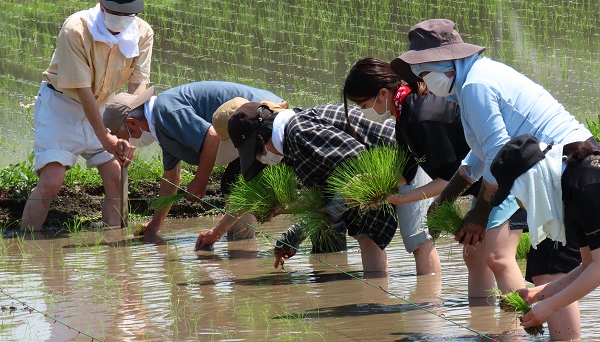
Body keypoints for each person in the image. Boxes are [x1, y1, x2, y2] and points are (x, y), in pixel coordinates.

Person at [390, 19, 593, 340]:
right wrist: (445, 199)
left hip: (567, 168)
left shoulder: (476, 86)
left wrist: (479, 214)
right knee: (553, 268)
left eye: (424, 69)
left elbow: (499, 157)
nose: (422, 78)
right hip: (559, 168)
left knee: (551, 267)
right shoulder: (474, 82)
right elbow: (479, 156)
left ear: (447, 59)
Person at [342, 57, 531, 293]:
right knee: (474, 257)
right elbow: (405, 171)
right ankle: (483, 323)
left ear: (382, 93)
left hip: (502, 179)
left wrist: (404, 199)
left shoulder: (423, 115)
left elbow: (449, 178)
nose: (363, 112)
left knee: (497, 258)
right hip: (483, 183)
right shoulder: (405, 112)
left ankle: (519, 325)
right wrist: (371, 189)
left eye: (362, 105)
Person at [20, 0, 152, 231]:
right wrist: (105, 137)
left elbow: (138, 84)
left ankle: (116, 246)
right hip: (61, 107)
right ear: (101, 5)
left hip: (105, 107)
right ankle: (27, 243)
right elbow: (82, 90)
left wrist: (127, 129)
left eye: (129, 13)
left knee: (116, 175)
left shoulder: (143, 32)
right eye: (116, 11)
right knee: (52, 181)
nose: (123, 19)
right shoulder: (76, 29)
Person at [227, 101, 399, 274]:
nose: (262, 160)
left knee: (416, 242)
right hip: (381, 173)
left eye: (257, 154)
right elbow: (326, 193)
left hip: (403, 162)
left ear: (261, 140)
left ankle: (415, 297)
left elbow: (358, 162)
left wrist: (335, 207)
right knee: (367, 235)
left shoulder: (299, 131)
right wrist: (295, 235)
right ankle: (376, 297)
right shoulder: (292, 141)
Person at [102, 80, 285, 237]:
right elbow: (171, 177)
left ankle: (243, 252)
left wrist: (200, 181)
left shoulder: (165, 111)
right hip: (253, 126)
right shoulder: (160, 125)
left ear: (132, 123)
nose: (127, 142)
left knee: (234, 183)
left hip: (266, 117)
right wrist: (154, 225)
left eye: (124, 136)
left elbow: (211, 137)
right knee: (235, 182)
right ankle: (243, 250)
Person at [489, 134, 600, 331]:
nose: (517, 202)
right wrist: (539, 294)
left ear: (530, 181)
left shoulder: (585, 184)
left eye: (515, 193)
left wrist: (551, 306)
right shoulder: (569, 188)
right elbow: (589, 265)